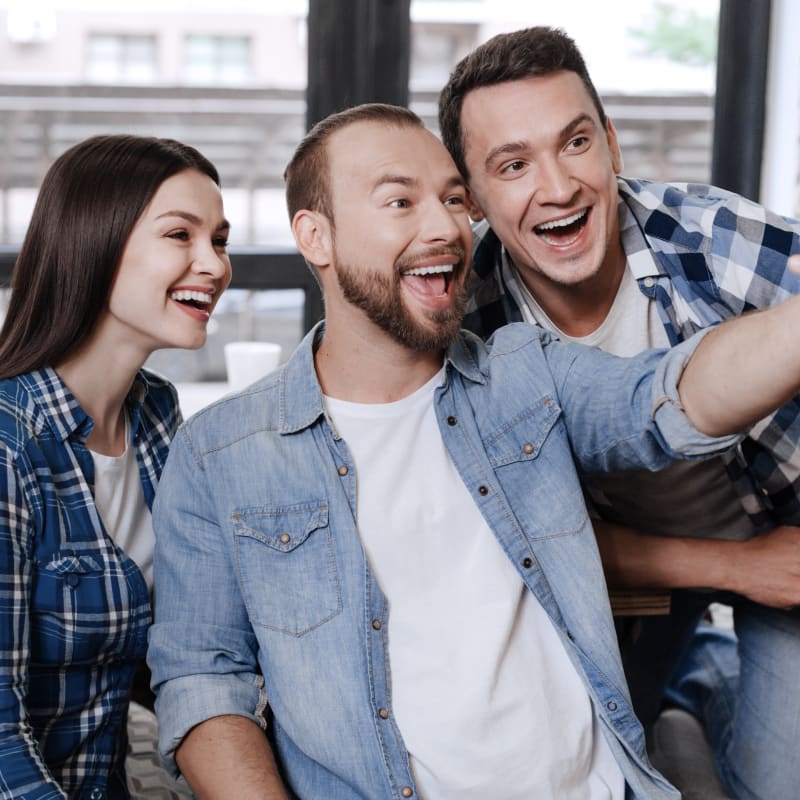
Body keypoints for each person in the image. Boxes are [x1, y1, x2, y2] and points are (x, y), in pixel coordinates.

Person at [149, 102, 800, 800]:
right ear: (316, 237)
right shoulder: (219, 454)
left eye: (454, 200)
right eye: (400, 200)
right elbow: (201, 679)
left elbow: (673, 396)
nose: (446, 228)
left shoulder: (525, 373)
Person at [437, 25, 800, 800]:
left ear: (611, 145)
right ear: (470, 197)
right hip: (622, 567)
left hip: (787, 532)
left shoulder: (713, 240)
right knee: (591, 761)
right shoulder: (463, 317)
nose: (559, 186)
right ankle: (697, 674)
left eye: (574, 144)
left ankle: (715, 680)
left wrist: (768, 567)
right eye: (513, 165)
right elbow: (509, 536)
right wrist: (735, 570)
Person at [0, 134, 231, 798]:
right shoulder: (9, 447)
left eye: (219, 240)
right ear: (94, 242)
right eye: (179, 236)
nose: (212, 265)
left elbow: (175, 650)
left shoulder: (156, 414)